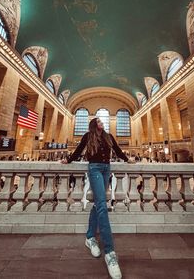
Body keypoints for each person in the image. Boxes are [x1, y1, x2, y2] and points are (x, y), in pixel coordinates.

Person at [61, 117, 134, 279]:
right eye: (99, 121)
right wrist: (68, 160)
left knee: (98, 204)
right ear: (95, 125)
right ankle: (109, 252)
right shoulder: (88, 136)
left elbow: (117, 150)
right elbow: (79, 149)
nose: (102, 123)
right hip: (94, 169)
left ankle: (90, 237)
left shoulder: (109, 136)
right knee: (102, 205)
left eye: (102, 121)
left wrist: (128, 159)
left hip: (106, 169)